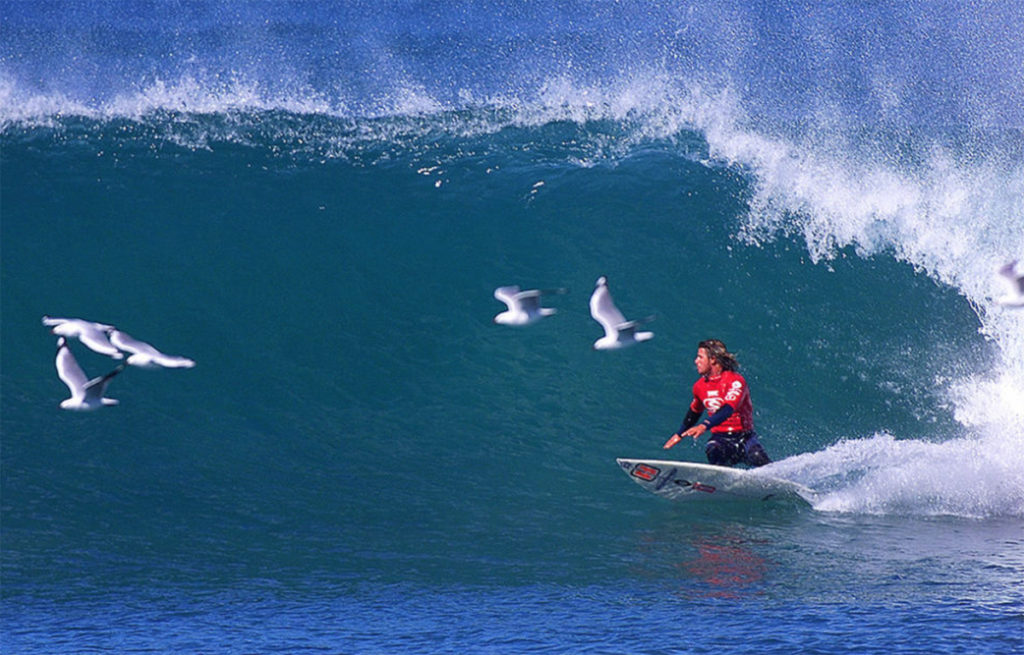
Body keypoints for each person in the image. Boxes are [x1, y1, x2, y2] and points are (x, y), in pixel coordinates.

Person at [662, 339, 771, 467]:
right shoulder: (699, 386)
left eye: (700, 357)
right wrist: (679, 434)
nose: (696, 361)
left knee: (757, 456)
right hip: (720, 439)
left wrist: (704, 425)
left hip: (744, 438)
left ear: (712, 359)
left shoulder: (735, 381)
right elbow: (694, 412)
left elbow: (728, 409)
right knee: (713, 449)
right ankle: (721, 483)